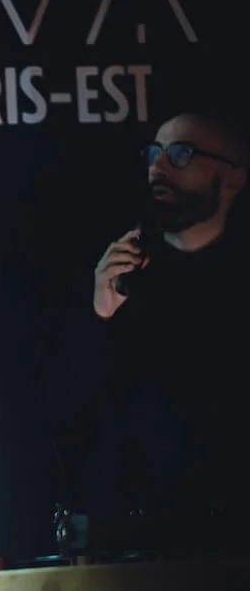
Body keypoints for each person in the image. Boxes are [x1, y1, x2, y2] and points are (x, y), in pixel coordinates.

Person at [87, 112, 250, 557]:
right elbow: (63, 410)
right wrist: (101, 313)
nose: (158, 167)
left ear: (233, 177)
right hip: (140, 546)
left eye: (180, 154)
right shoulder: (124, 272)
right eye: (154, 153)